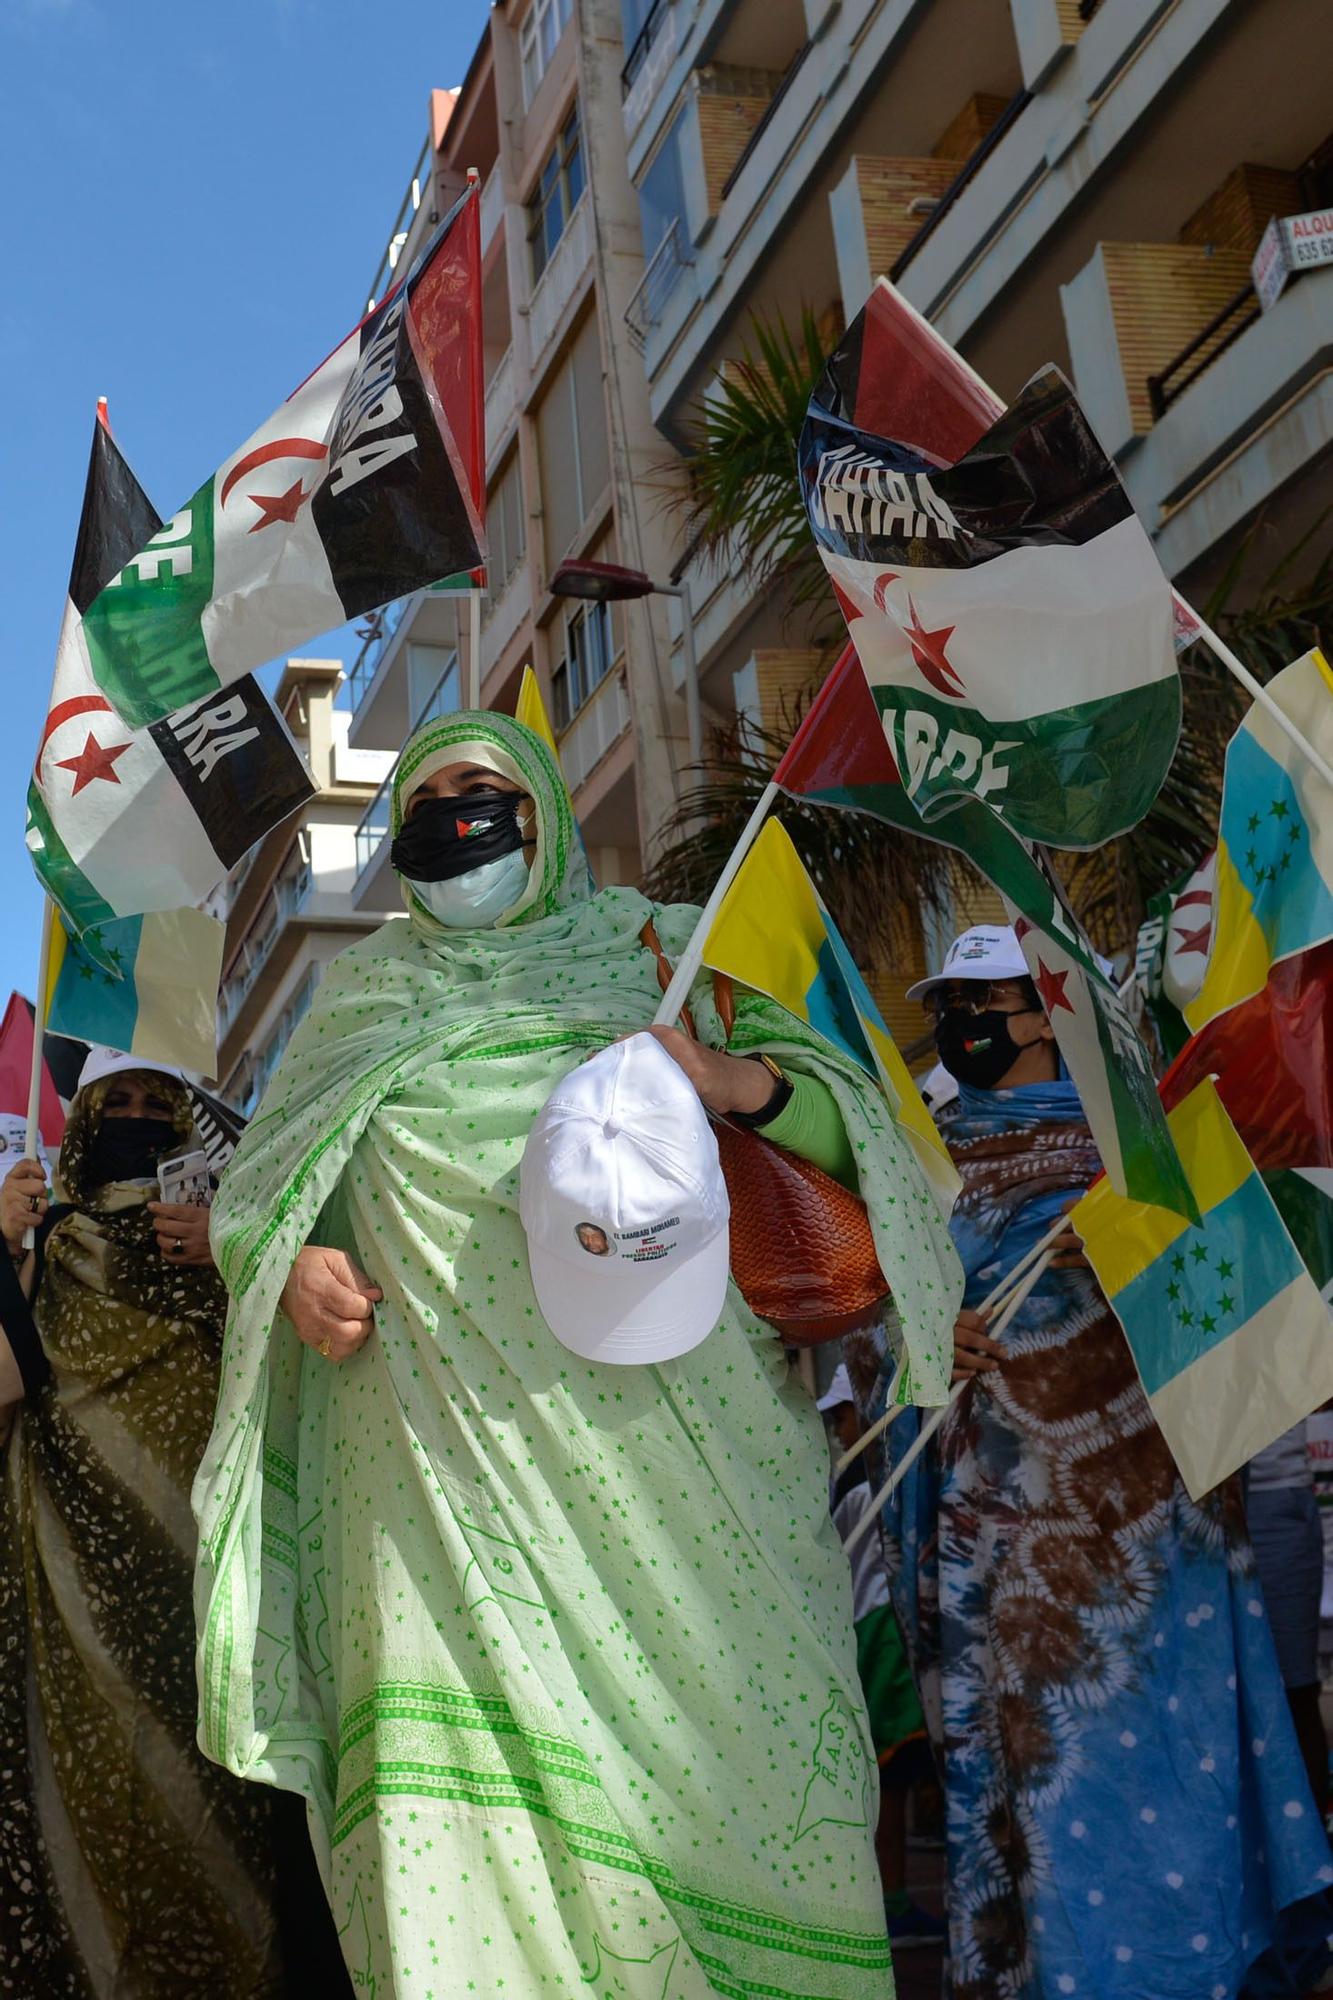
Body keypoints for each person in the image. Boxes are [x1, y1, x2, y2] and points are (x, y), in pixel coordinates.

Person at [193, 710, 961, 1999]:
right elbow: (274, 1204)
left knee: (752, 1815)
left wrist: (731, 1080)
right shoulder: (355, 1007)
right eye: (425, 798)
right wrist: (291, 1278)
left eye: (482, 788)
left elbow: (855, 1144)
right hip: (443, 1517)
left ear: (545, 811)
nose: (454, 816)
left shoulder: (661, 949)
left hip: (693, 1508)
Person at [881, 925, 1333, 2000]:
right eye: (950, 1002)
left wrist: (1144, 1244)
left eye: (983, 1000)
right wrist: (920, 1334)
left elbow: (1243, 1312)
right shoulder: (924, 1166)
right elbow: (881, 1320)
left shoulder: (1144, 1151)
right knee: (1029, 1779)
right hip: (997, 1542)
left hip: (1148, 1539)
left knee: (1157, 1769)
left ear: (1047, 1011)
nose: (962, 1022)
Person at [0, 1050, 291, 1994]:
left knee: (223, 1785)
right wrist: (5, 1250)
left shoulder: (234, 1235)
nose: (131, 1115)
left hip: (208, 1564)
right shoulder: (52, 1240)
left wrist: (236, 1241)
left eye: (151, 1102)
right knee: (89, 1793)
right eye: (112, 1103)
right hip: (74, 1572)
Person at [818, 1363, 945, 1954]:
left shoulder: (868, 1486)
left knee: (893, 1773)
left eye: (841, 1413)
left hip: (881, 1628)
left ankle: (892, 1897)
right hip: (879, 1630)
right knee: (890, 1777)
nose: (839, 1429)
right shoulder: (867, 1483)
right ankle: (889, 1899)